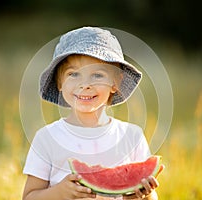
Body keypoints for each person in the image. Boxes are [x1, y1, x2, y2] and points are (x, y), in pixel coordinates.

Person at [22, 26, 162, 200]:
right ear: (59, 82)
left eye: (97, 75)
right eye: (73, 74)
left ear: (115, 82)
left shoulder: (132, 137)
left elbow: (151, 196)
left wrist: (144, 196)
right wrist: (59, 192)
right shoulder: (46, 138)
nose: (85, 84)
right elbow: (29, 197)